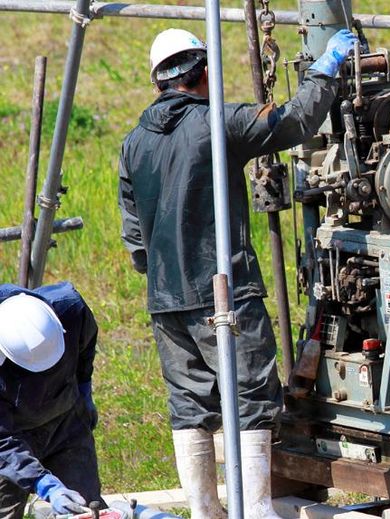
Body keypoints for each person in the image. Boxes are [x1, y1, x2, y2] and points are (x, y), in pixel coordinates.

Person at [117, 27, 358, 519]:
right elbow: (294, 121)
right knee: (250, 395)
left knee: (189, 405)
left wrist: (163, 274)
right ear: (205, 71)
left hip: (166, 301)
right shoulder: (218, 123)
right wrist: (325, 70)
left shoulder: (133, 144)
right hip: (224, 291)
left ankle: (205, 511)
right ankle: (257, 509)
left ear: (157, 82)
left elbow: (134, 236)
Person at [0, 282, 102, 519]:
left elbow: (85, 347)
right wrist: (44, 484)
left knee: (87, 508)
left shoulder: (70, 309)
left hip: (67, 424)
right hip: (11, 435)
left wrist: (84, 390)